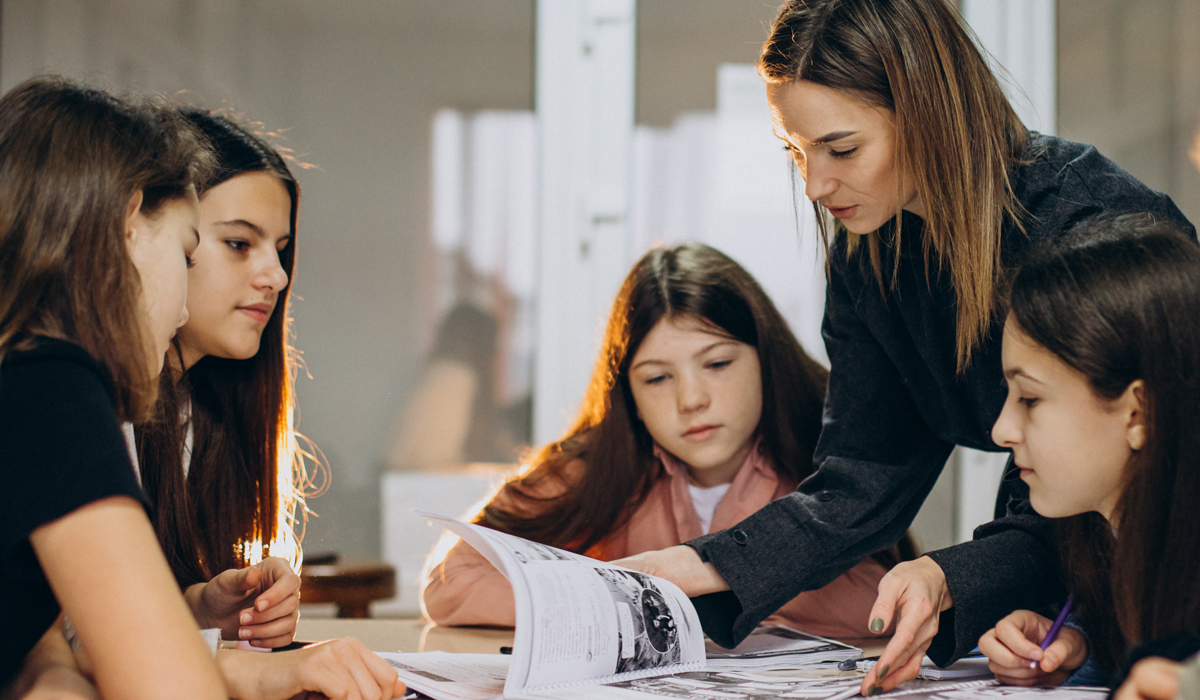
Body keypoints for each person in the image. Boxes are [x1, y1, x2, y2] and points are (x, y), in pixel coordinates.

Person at [613, 0, 1195, 693]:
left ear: (926, 111)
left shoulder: (1092, 232)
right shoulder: (870, 255)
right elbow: (862, 475)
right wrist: (700, 563)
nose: (816, 185)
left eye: (842, 148)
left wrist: (960, 576)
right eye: (796, 152)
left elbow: (1116, 485)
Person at [422, 243, 914, 637]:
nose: (691, 400)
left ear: (766, 359)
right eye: (658, 379)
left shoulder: (833, 455)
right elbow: (451, 580)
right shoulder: (597, 465)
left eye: (718, 364)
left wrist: (713, 578)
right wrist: (622, 602)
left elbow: (884, 599)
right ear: (628, 395)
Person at [135, 109, 403, 700]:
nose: (276, 276)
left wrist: (206, 606)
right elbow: (75, 641)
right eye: (238, 243)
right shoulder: (90, 402)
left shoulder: (196, 413)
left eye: (280, 249)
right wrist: (254, 671)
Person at [0, 76, 226, 699]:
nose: (183, 313)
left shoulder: (17, 369)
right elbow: (174, 691)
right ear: (129, 222)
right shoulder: (50, 385)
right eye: (186, 256)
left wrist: (51, 673)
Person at [977, 218, 1200, 689]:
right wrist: (1085, 647)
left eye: (1030, 398)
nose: (1002, 431)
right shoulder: (1112, 543)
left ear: (1138, 413)